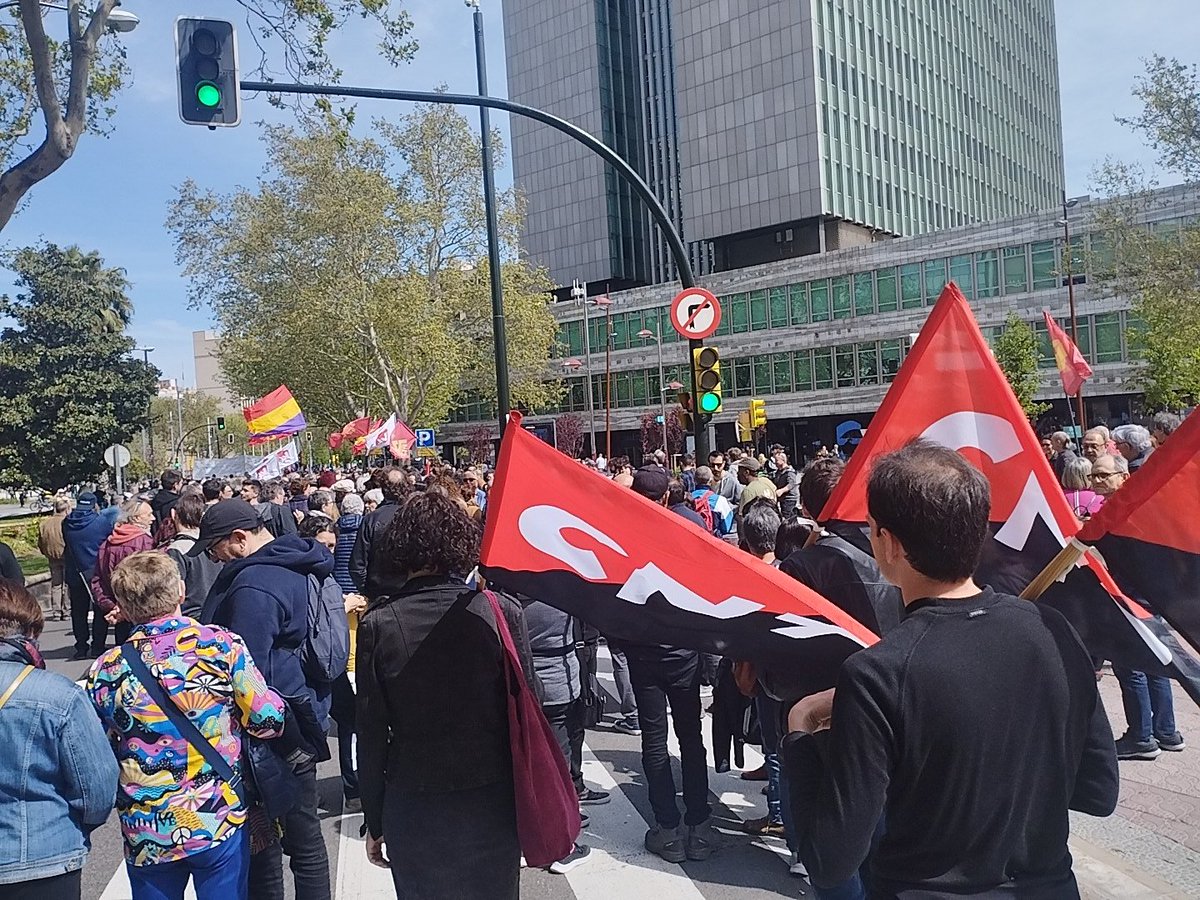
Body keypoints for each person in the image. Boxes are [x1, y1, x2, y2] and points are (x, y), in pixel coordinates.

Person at [783, 440, 1119, 897]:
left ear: (889, 543)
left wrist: (800, 728)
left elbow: (829, 859)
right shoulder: (1052, 630)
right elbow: (1098, 791)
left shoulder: (878, 674)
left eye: (872, 529)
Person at [356, 491, 537, 898]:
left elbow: (370, 733)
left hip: (416, 798)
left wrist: (376, 817)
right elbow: (531, 705)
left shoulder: (380, 624)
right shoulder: (500, 611)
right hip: (492, 796)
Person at [88, 551, 286, 899]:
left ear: (123, 606)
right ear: (180, 590)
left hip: (147, 825)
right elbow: (267, 720)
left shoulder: (106, 670)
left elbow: (97, 745)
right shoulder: (221, 646)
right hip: (215, 814)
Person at [197, 500, 341, 900]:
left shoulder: (253, 584)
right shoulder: (298, 560)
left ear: (240, 538)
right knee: (305, 839)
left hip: (268, 728)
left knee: (269, 845)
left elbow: (246, 668)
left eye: (215, 548)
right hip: (303, 707)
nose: (214, 557)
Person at [0, 580, 117, 899]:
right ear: (30, 632)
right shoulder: (57, 695)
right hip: (45, 852)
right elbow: (97, 785)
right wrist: (74, 827)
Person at [625, 465, 716, 864]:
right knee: (690, 739)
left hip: (644, 652)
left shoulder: (625, 536)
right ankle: (698, 824)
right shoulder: (686, 533)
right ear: (667, 497)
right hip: (682, 651)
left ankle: (667, 827)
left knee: (654, 741)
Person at [90, 496, 156, 655]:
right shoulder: (144, 542)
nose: (153, 518)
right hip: (140, 613)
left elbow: (97, 580)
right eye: (149, 515)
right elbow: (151, 580)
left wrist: (113, 607)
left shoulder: (108, 543)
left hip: (120, 611)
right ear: (137, 518)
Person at [62, 492, 118, 660]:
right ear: (94, 505)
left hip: (75, 572)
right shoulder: (101, 522)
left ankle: (80, 647)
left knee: (78, 611)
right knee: (100, 609)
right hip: (95, 571)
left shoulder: (66, 523)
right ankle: (97, 646)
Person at [349, 468, 408, 599]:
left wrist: (369, 591)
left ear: (383, 489)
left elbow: (357, 565)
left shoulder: (372, 519)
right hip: (406, 595)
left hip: (381, 595)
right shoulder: (414, 515)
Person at [166, 491, 224, 618]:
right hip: (216, 611)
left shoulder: (177, 550)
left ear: (173, 514)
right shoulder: (216, 543)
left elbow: (175, 593)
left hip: (189, 616)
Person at [37, 497, 71, 620]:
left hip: (52, 557)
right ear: (66, 508)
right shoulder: (67, 522)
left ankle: (56, 611)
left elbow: (40, 542)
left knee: (56, 585)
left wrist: (45, 553)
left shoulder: (45, 524)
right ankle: (66, 610)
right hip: (66, 556)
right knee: (66, 584)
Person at [691, 465, 736, 537]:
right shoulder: (720, 500)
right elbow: (727, 527)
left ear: (694, 480)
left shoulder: (688, 499)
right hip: (712, 539)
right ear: (711, 481)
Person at [772, 449, 800, 519]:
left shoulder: (789, 471)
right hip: (782, 499)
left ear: (783, 461)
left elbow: (791, 484)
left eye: (777, 461)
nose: (775, 463)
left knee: (788, 517)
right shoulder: (778, 472)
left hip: (789, 499)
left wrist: (781, 491)